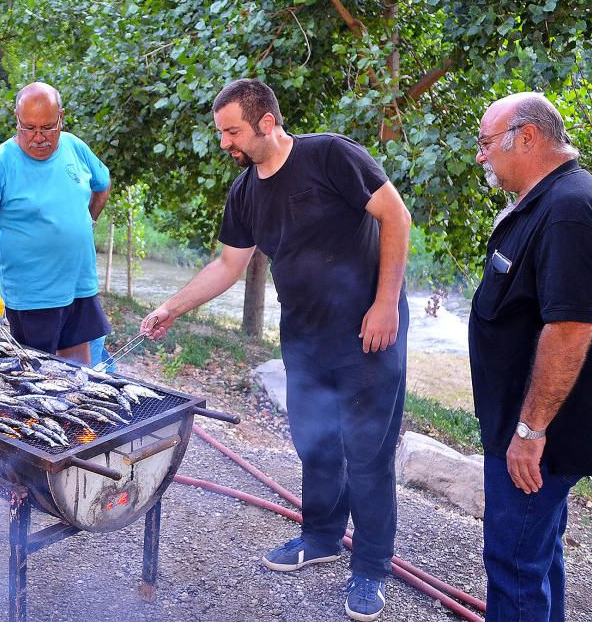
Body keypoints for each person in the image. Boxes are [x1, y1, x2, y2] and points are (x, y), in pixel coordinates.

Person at [140, 79, 411, 621]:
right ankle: (321, 538)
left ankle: (372, 568)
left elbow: (396, 217)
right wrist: (172, 306)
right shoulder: (245, 192)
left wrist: (386, 304)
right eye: (221, 133)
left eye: (232, 131)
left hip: (368, 334)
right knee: (315, 445)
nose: (225, 144)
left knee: (367, 454)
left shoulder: (332, 156)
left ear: (266, 122)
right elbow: (227, 265)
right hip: (305, 339)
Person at [469, 92, 592, 621]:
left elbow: (570, 329)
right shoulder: (546, 200)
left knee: (513, 566)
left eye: (487, 143)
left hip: (539, 439)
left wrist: (530, 433)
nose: (481, 156)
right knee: (536, 556)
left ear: (527, 137)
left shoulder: (569, 210)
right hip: (525, 430)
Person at [0, 82, 111, 365]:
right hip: (33, 295)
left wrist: (88, 221)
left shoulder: (75, 147)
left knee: (79, 373)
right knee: (38, 375)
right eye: (29, 128)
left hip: (80, 283)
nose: (38, 138)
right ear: (17, 119)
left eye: (48, 127)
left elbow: (103, 183)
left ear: (61, 117)